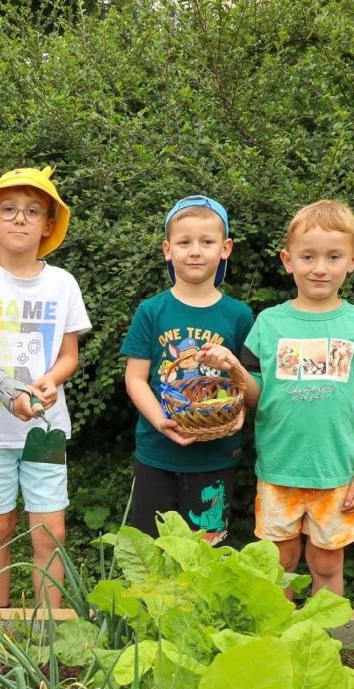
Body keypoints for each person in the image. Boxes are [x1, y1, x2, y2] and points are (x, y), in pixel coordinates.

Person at [238, 199, 354, 597]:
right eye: (308, 256)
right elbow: (256, 397)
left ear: (353, 260)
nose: (320, 267)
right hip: (279, 470)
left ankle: (321, 644)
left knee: (327, 564)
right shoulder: (268, 323)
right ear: (287, 260)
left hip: (337, 475)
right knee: (279, 566)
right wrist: (234, 373)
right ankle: (277, 646)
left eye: (333, 257)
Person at [0, 166, 91, 608]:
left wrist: (50, 381)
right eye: (8, 209)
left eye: (32, 211)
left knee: (52, 531)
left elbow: (68, 357)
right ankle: (1, 623)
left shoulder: (63, 284)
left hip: (46, 431)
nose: (20, 219)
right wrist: (13, 394)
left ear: (49, 224)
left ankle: (52, 629)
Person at [120, 195, 255, 543]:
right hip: (156, 453)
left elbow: (249, 383)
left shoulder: (239, 315)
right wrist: (160, 422)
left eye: (206, 242)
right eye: (184, 242)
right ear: (168, 250)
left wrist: (239, 409)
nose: (195, 250)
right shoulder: (152, 311)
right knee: (151, 551)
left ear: (225, 248)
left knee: (207, 553)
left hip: (215, 455)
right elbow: (135, 378)